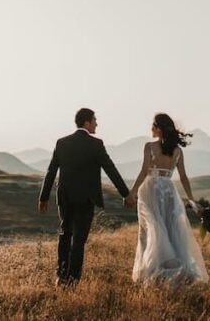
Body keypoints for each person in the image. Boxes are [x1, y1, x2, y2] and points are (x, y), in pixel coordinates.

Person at [38, 108, 132, 286]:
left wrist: (43, 197)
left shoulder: (62, 143)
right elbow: (110, 169)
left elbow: (51, 171)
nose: (97, 124)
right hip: (86, 199)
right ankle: (73, 280)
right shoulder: (96, 144)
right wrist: (125, 194)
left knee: (65, 234)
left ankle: (61, 275)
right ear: (87, 123)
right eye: (95, 120)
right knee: (79, 240)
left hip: (65, 198)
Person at [125, 113, 209, 285]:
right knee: (170, 229)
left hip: (150, 190)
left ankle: (154, 271)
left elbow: (144, 171)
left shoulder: (149, 147)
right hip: (169, 192)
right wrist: (191, 200)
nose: (151, 129)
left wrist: (132, 192)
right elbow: (183, 177)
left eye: (153, 126)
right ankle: (174, 271)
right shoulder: (177, 151)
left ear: (159, 129)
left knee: (151, 228)